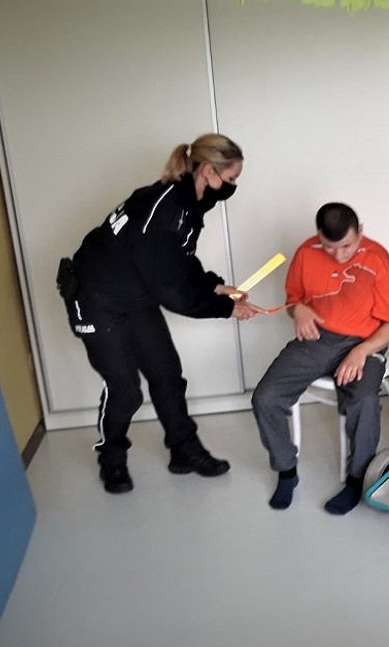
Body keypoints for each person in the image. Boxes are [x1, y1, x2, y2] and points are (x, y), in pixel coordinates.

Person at [60, 133, 261, 494]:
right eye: (231, 178)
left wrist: (215, 286)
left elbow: (179, 260)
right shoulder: (164, 209)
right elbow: (172, 292)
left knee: (167, 375)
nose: (233, 186)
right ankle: (111, 460)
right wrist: (226, 308)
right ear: (208, 171)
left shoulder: (189, 203)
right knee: (126, 390)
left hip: (135, 295)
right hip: (95, 300)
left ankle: (184, 451)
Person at [251, 202, 389, 515]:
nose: (339, 256)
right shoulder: (306, 253)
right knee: (265, 397)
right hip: (317, 340)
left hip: (365, 342)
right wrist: (299, 310)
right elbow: (294, 300)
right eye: (329, 247)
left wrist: (361, 351)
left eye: (347, 246)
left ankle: (357, 478)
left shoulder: (377, 259)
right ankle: (286, 471)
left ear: (360, 231)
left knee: (364, 401)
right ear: (318, 235)